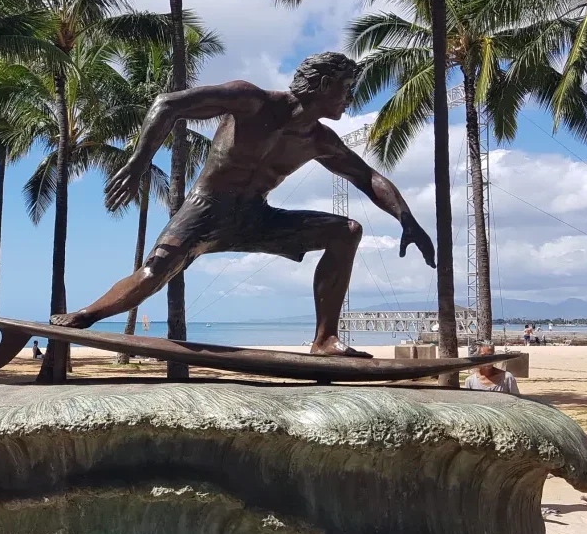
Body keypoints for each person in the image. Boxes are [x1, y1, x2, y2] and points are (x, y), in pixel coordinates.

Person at [47, 52, 435, 359]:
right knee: (153, 274)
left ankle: (325, 338)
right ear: (323, 83)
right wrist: (138, 162)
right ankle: (86, 315)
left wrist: (407, 219)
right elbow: (168, 104)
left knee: (346, 231)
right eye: (347, 87)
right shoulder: (251, 101)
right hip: (205, 209)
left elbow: (368, 177)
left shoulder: (319, 140)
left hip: (254, 216)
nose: (351, 98)